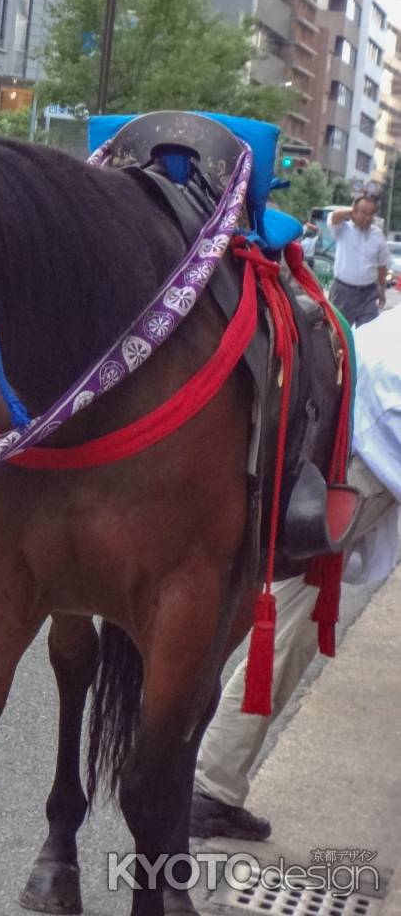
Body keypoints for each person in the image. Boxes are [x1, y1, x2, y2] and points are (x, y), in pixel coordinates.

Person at [191, 304, 401, 841]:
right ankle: (206, 781)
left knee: (285, 618)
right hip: (363, 446)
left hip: (346, 420)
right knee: (285, 621)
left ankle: (207, 777)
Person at [327, 197, 390, 327]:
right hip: (343, 291)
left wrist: (382, 289)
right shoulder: (342, 229)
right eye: (364, 212)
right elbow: (334, 216)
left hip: (368, 293)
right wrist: (353, 211)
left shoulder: (378, 235)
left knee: (368, 333)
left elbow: (382, 265)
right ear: (353, 212)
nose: (367, 217)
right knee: (339, 333)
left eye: (371, 213)